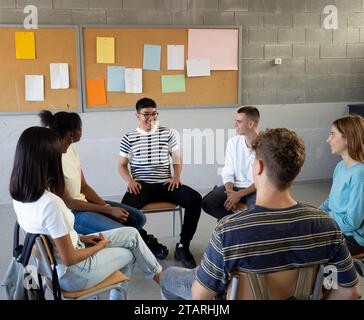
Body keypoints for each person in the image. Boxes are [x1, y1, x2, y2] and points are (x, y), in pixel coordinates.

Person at [160, 128, 361, 300]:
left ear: (259, 167)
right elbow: (350, 293)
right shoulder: (327, 225)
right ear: (297, 170)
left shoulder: (229, 230)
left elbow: (200, 295)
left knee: (169, 277)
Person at [10, 126, 163, 299]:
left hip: (53, 267)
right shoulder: (51, 203)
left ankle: (163, 281)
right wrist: (98, 246)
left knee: (132, 234)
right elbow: (70, 258)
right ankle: (158, 286)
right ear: (47, 160)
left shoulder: (19, 196)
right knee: (130, 253)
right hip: (74, 274)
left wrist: (83, 238)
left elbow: (51, 237)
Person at [119, 97, 202, 268]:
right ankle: (150, 242)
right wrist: (130, 181)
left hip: (166, 184)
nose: (151, 118)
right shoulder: (129, 137)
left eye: (154, 114)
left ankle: (183, 246)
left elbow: (177, 159)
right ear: (137, 115)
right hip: (141, 185)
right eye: (146, 115)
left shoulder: (168, 133)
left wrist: (176, 176)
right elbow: (121, 165)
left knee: (195, 199)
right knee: (122, 214)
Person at [39, 110, 146, 235]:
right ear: (70, 134)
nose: (82, 131)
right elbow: (69, 202)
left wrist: (107, 208)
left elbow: (83, 186)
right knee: (123, 231)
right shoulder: (52, 158)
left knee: (138, 219)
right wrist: (108, 211)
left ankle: (136, 241)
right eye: (80, 128)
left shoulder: (70, 149)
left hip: (83, 203)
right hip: (70, 213)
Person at [202, 106, 259, 220]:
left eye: (239, 122)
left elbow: (263, 180)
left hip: (255, 189)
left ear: (251, 124)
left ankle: (239, 225)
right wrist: (230, 193)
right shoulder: (233, 142)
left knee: (256, 216)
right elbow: (228, 171)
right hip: (235, 187)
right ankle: (235, 225)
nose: (235, 125)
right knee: (207, 203)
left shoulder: (265, 145)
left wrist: (239, 195)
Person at [320, 115, 364, 256]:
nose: (328, 140)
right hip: (336, 225)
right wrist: (317, 213)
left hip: (353, 237)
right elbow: (331, 200)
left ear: (348, 138)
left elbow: (352, 222)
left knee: (312, 247)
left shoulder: (359, 174)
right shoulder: (340, 166)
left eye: (332, 134)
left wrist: (325, 219)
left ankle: (336, 277)